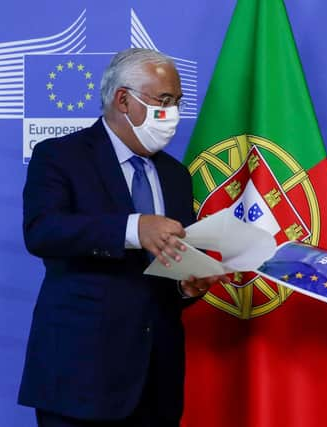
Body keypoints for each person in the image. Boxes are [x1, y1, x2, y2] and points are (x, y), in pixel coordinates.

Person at [18, 48, 224, 427]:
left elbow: (165, 273)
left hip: (155, 383)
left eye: (177, 102)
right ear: (123, 100)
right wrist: (132, 228)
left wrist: (186, 290)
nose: (173, 113)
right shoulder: (60, 156)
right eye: (163, 101)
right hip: (80, 380)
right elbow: (42, 231)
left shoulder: (176, 175)